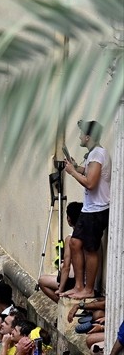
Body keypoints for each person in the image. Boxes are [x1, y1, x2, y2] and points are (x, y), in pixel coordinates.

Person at [61, 119, 111, 298]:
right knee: (75, 243)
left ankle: (88, 289)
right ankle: (78, 286)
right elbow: (89, 174)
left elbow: (90, 183)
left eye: (82, 134)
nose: (80, 137)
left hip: (97, 210)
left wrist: (72, 172)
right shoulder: (94, 154)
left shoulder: (98, 154)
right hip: (89, 209)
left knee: (90, 249)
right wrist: (77, 167)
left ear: (88, 137)